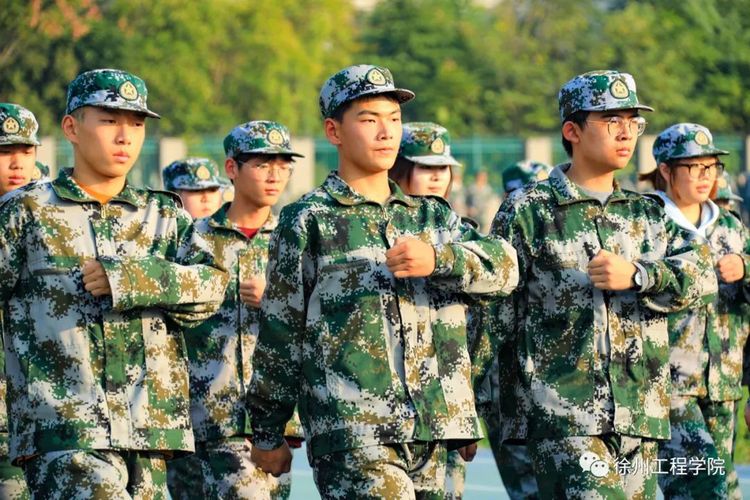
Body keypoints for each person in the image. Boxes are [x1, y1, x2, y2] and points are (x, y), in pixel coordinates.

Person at [246, 64, 519, 499]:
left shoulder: (432, 216)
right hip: (355, 431)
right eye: (369, 119)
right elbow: (281, 332)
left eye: (394, 118)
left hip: (436, 428)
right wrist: (267, 430)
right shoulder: (309, 220)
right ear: (334, 131)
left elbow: (505, 268)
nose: (386, 132)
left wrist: (440, 259)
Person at [475, 70, 717, 498]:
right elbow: (494, 314)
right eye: (611, 121)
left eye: (633, 122)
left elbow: (701, 272)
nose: (626, 133)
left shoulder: (647, 213)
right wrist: (468, 407)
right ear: (572, 131)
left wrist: (641, 275)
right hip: (564, 417)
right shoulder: (529, 211)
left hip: (640, 414)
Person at [0, 68, 228, 498]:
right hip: (66, 430)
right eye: (109, 121)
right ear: (72, 128)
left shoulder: (164, 215)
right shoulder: (27, 212)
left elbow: (212, 285)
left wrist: (134, 278)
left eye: (136, 125)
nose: (125, 137)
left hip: (150, 432)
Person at [167, 121, 305, 500]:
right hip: (204, 417)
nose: (274, 175)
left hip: (269, 423)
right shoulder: (193, 239)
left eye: (283, 165)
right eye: (262, 164)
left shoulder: (295, 239)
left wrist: (277, 300)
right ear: (232, 168)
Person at [640, 123, 749, 499]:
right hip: (668, 383)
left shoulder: (731, 228)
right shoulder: (647, 224)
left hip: (723, 384)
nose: (706, 176)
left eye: (711, 166)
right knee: (704, 486)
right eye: (693, 167)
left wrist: (746, 267)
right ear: (666, 170)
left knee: (722, 489)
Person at [389, 121, 471, 500]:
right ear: (400, 168)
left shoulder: (457, 231)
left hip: (446, 407)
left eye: (443, 167)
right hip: (388, 407)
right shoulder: (377, 226)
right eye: (425, 167)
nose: (437, 176)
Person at [480, 158, 552, 500]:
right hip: (507, 388)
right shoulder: (494, 248)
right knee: (527, 489)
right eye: (522, 193)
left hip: (557, 388)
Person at [0, 102, 40, 500]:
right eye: (4, 152)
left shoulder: (53, 214)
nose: (17, 163)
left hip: (39, 413)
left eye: (26, 151)